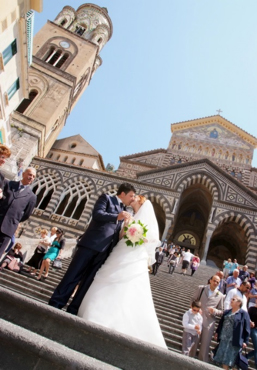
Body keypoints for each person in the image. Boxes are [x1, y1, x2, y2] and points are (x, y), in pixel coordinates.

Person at [77, 195, 167, 349]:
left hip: (133, 254)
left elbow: (151, 238)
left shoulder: (145, 216)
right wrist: (126, 230)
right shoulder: (130, 215)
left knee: (127, 284)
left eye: (135, 198)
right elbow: (121, 235)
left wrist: (136, 234)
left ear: (141, 201)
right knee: (108, 278)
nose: (132, 199)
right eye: (132, 197)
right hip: (121, 250)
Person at [49, 182, 136, 314]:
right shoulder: (107, 199)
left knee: (88, 282)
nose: (132, 199)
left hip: (105, 251)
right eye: (131, 195)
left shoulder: (124, 209)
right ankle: (56, 303)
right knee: (73, 275)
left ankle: (74, 309)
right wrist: (116, 217)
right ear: (122, 194)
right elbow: (97, 214)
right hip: (91, 244)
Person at [0, 167, 37, 259]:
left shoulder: (32, 196)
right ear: (23, 174)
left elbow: (26, 214)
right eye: (29, 174)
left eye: (33, 176)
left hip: (8, 228)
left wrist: (14, 220)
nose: (31, 177)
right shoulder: (9, 184)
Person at [190, 275, 224, 362]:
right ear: (210, 280)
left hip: (209, 322)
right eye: (214, 281)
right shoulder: (201, 288)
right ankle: (189, 359)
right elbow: (193, 300)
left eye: (218, 282)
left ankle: (202, 363)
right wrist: (195, 310)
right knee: (194, 342)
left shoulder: (220, 295)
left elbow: (221, 311)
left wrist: (215, 311)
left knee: (205, 345)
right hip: (197, 319)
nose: (216, 283)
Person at [213, 295, 250, 370]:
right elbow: (221, 323)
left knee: (232, 361)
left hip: (234, 341)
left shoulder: (243, 314)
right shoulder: (227, 312)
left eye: (233, 299)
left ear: (239, 303)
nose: (231, 300)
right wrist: (217, 332)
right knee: (223, 359)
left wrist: (246, 341)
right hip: (224, 338)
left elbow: (247, 328)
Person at [248, 298, 257, 369]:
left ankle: (246, 357)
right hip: (252, 329)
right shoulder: (251, 309)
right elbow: (247, 317)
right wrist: (250, 322)